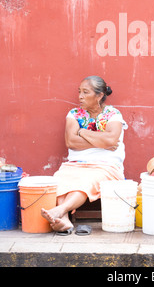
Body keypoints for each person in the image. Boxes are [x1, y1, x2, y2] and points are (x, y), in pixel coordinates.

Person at [41, 75, 127, 234]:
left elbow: (111, 140)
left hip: (106, 166)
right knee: (60, 178)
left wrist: (81, 132)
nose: (80, 96)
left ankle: (60, 210)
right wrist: (99, 139)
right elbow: (71, 142)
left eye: (85, 92)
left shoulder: (113, 114)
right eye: (79, 92)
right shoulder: (74, 114)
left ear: (99, 95)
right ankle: (64, 219)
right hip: (75, 164)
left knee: (86, 180)